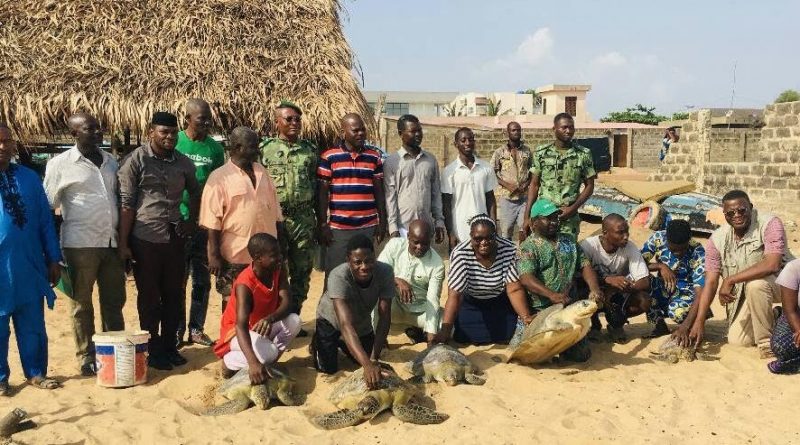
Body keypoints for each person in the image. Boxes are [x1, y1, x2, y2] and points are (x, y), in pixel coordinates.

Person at [43, 113, 125, 376]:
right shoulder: (60, 164)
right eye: (90, 129)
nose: (98, 132)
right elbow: (48, 205)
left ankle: (113, 350)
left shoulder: (111, 162)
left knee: (114, 300)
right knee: (81, 304)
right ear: (74, 134)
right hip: (79, 244)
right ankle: (86, 355)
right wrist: (52, 252)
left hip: (110, 242)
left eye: (98, 127)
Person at [118, 112, 200, 370]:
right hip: (145, 238)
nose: (169, 137)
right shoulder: (135, 160)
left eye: (173, 132)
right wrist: (123, 244)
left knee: (174, 295)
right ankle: (152, 350)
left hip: (175, 237)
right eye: (164, 132)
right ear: (151, 132)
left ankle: (169, 347)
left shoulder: (184, 163)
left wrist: (191, 221)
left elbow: (197, 192)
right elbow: (127, 205)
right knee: (150, 298)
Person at [0, 123, 62, 393]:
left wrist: (54, 258)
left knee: (33, 327)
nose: (3, 146)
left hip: (30, 265)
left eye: (7, 141)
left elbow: (45, 222)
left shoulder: (29, 177)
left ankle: (36, 373)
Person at [689, 190, 789, 358]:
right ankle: (777, 315)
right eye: (730, 213)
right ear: (724, 214)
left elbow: (773, 264)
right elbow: (711, 282)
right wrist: (699, 321)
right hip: (751, 295)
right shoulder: (718, 239)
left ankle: (766, 343)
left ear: (750, 207)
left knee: (756, 285)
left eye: (742, 210)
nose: (737, 215)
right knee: (738, 340)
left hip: (785, 285)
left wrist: (730, 280)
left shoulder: (769, 223)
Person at [201, 127, 284, 311]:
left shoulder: (263, 173)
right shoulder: (219, 178)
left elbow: (276, 212)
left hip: (265, 256)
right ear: (238, 147)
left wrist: (281, 245)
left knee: (263, 297)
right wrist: (214, 255)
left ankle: (258, 338)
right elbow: (211, 222)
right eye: (253, 146)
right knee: (233, 300)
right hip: (235, 254)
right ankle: (231, 339)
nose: (258, 150)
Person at [515, 199, 603, 362]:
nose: (554, 222)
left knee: (580, 356)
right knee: (524, 355)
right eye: (548, 218)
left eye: (556, 217)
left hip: (568, 307)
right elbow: (526, 277)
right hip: (540, 310)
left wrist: (594, 288)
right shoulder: (528, 247)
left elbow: (584, 265)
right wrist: (551, 295)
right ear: (534, 222)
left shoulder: (569, 240)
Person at [260, 101, 319, 335]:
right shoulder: (265, 150)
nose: (294, 123)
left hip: (304, 220)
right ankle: (273, 319)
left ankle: (292, 319)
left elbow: (316, 185)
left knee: (302, 272)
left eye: (297, 119)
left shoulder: (310, 150)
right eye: (289, 119)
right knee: (274, 272)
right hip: (275, 220)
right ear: (277, 122)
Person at [214, 233, 300, 382]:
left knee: (295, 321)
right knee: (268, 352)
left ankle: (268, 361)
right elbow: (240, 326)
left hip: (259, 327)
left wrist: (270, 318)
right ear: (258, 258)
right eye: (274, 255)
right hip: (235, 334)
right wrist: (253, 363)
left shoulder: (278, 270)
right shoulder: (245, 284)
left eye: (279, 253)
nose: (280, 258)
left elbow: (287, 303)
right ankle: (229, 362)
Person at [311, 235, 394, 388]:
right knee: (328, 369)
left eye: (369, 260)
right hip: (331, 320)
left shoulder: (385, 272)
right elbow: (345, 324)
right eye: (358, 262)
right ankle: (318, 341)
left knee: (369, 358)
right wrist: (367, 366)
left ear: (374, 257)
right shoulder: (338, 275)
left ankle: (344, 343)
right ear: (348, 260)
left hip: (360, 320)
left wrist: (373, 359)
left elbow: (385, 317)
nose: (364, 266)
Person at [175, 98, 225, 348]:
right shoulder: (176, 142)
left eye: (208, 118)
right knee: (177, 279)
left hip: (204, 224)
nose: (205, 123)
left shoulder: (214, 150)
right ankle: (176, 330)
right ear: (187, 118)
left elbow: (217, 186)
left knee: (202, 280)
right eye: (200, 118)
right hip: (177, 221)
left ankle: (196, 329)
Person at [432, 214, 526, 345]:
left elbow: (514, 289)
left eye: (489, 237)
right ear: (471, 237)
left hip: (500, 300)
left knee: (509, 334)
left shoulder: (509, 249)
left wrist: (526, 318)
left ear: (496, 235)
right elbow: (455, 296)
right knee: (463, 337)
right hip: (472, 302)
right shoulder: (460, 254)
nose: (484, 242)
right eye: (478, 239)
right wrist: (445, 331)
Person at [317, 114, 388, 275]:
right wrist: (322, 225)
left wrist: (382, 221)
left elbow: (379, 191)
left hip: (367, 227)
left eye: (363, 130)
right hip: (339, 229)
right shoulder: (329, 156)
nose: (361, 134)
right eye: (355, 130)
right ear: (343, 132)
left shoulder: (373, 157)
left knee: (365, 273)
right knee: (335, 274)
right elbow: (322, 193)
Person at [523, 113, 596, 240]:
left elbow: (590, 186)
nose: (568, 131)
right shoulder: (541, 153)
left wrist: (572, 209)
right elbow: (534, 185)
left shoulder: (583, 154)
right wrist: (526, 216)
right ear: (554, 129)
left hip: (568, 219)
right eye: (564, 127)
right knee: (543, 252)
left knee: (567, 255)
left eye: (571, 127)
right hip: (543, 217)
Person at [579, 213, 650, 343]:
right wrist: (607, 281)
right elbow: (578, 275)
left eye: (627, 231)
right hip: (591, 291)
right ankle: (594, 325)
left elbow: (644, 281)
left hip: (615, 294)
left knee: (644, 301)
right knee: (579, 291)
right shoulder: (588, 245)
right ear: (605, 233)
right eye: (620, 233)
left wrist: (617, 289)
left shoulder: (629, 247)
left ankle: (616, 324)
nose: (626, 236)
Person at [374, 219, 444, 344]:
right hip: (393, 307)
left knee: (446, 327)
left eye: (425, 243)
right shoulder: (394, 245)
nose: (420, 247)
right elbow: (378, 273)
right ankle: (376, 340)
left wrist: (431, 343)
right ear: (408, 237)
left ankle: (417, 332)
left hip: (420, 312)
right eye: (415, 242)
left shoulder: (437, 264)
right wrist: (397, 281)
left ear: (431, 239)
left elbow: (433, 301)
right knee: (373, 300)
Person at [383, 114, 446, 243]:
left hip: (426, 228)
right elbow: (390, 198)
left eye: (419, 130)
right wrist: (393, 228)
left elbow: (436, 194)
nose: (418, 134)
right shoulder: (392, 162)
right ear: (401, 134)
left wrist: (439, 222)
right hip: (402, 229)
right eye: (413, 131)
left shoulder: (430, 160)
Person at [641, 219, 706, 340]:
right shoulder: (658, 238)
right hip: (663, 286)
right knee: (642, 283)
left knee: (677, 312)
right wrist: (660, 266)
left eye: (682, 249)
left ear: (689, 240)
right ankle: (659, 327)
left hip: (687, 292)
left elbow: (700, 294)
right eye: (674, 249)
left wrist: (684, 327)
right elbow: (637, 264)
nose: (678, 253)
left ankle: (692, 325)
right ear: (667, 240)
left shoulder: (698, 252)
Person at [442, 128, 497, 251]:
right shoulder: (449, 172)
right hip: (459, 230)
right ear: (456, 144)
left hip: (483, 230)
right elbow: (446, 205)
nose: (468, 143)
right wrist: (450, 233)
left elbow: (491, 200)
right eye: (463, 140)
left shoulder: (486, 168)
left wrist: (493, 226)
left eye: (471, 139)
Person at [490, 121, 532, 240]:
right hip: (507, 198)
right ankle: (507, 256)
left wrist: (527, 183)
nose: (517, 132)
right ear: (507, 132)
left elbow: (533, 171)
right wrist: (507, 185)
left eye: (518, 130)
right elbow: (491, 172)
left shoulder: (527, 151)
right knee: (506, 231)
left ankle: (523, 256)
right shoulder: (499, 152)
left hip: (524, 198)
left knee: (524, 229)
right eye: (513, 130)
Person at [768, 259, 800, 374]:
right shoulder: (794, 268)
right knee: (781, 346)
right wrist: (798, 330)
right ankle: (778, 315)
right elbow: (790, 310)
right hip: (796, 315)